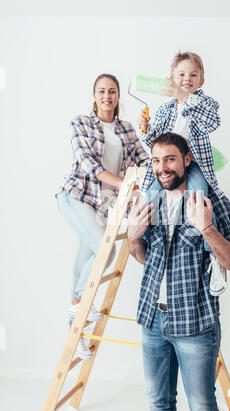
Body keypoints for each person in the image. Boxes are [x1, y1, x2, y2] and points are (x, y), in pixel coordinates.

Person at [127, 132, 230, 411]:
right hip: (153, 319)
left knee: (203, 410)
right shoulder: (149, 202)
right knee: (158, 403)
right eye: (156, 160)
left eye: (170, 159)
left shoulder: (210, 202)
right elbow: (145, 258)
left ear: (187, 160)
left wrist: (206, 228)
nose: (162, 168)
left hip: (195, 323)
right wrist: (132, 236)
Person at [56, 73, 149, 360]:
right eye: (101, 91)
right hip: (76, 198)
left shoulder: (126, 128)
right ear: (94, 95)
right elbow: (89, 165)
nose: (107, 96)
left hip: (102, 206)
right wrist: (125, 183)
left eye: (112, 91)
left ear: (118, 96)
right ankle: (79, 306)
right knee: (104, 253)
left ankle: (76, 328)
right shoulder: (80, 124)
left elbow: (142, 159)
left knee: (81, 265)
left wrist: (154, 169)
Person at [138, 51, 225, 294]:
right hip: (169, 164)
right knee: (149, 195)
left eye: (193, 75)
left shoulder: (205, 104)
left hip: (193, 163)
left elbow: (212, 121)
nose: (187, 78)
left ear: (201, 81)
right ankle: (151, 246)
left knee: (199, 198)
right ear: (172, 78)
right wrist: (145, 129)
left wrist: (184, 97)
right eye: (182, 74)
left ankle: (214, 260)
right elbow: (154, 141)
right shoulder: (166, 109)